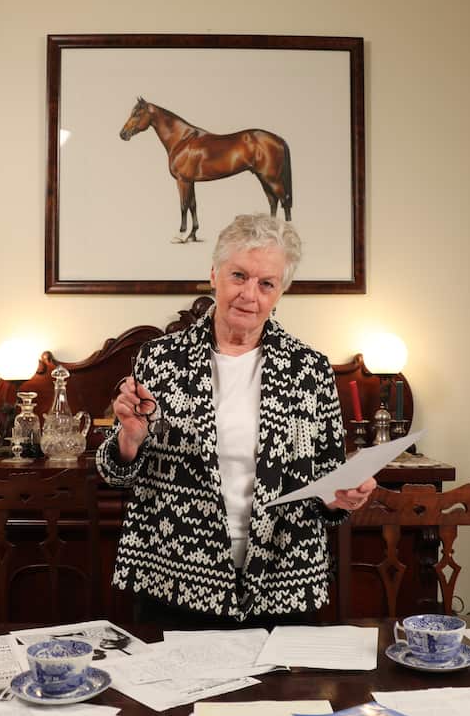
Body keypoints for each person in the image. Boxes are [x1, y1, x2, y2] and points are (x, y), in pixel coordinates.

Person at [96, 213, 376, 628]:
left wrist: (342, 497)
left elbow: (329, 480)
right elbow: (115, 475)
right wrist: (129, 441)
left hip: (283, 580)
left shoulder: (310, 369)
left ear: (280, 291)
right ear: (214, 275)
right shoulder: (159, 358)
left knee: (285, 695)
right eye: (239, 276)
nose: (250, 294)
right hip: (175, 578)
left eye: (266, 283)